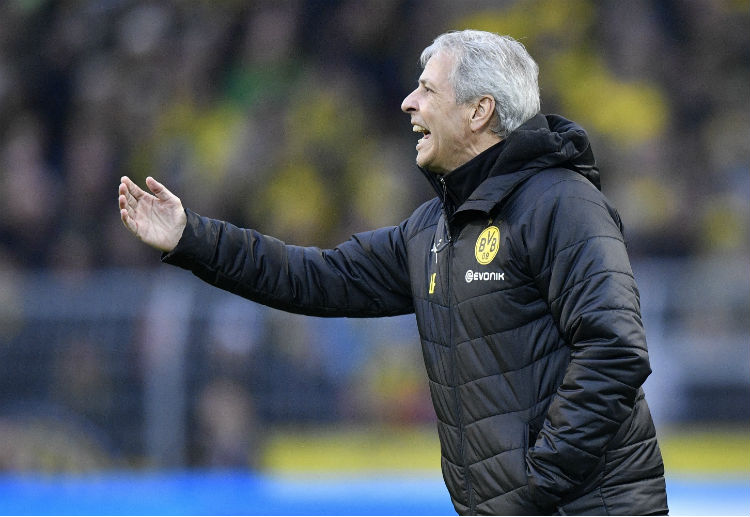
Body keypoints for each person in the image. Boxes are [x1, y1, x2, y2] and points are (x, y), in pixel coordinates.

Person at [118, 30, 668, 515]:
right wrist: (192, 237)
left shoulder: (562, 203)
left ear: (479, 111)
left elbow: (615, 349)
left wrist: (536, 483)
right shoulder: (432, 231)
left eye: (428, 90)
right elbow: (315, 277)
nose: (408, 103)